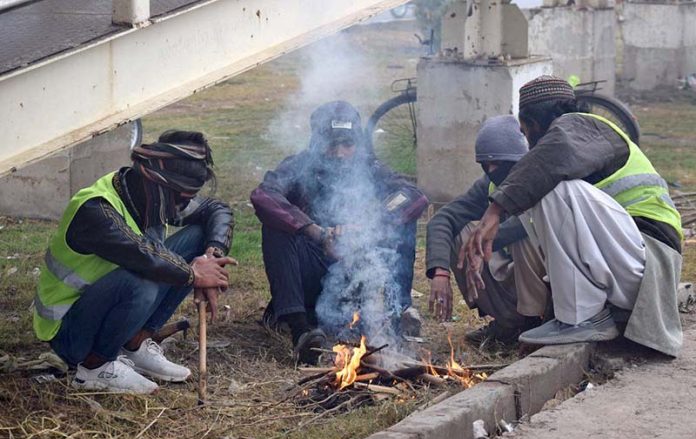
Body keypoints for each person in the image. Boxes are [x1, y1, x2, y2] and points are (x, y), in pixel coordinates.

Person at [463, 75, 683, 356]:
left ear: (534, 124)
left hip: (649, 261)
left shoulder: (583, 128)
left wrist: (494, 211)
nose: (527, 141)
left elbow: (551, 158)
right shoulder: (580, 138)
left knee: (556, 189)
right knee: (542, 193)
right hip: (627, 263)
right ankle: (579, 316)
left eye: (525, 130)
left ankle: (582, 317)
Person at [33, 130, 236, 394]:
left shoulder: (147, 194)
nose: (180, 208)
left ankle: (134, 343)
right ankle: (95, 368)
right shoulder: (95, 209)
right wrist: (195, 275)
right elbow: (144, 256)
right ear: (158, 184)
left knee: (198, 236)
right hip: (69, 331)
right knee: (142, 281)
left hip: (107, 302)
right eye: (180, 199)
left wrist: (212, 257)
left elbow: (217, 210)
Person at [250, 100, 428, 364]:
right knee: (276, 229)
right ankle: (301, 331)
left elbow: (411, 196)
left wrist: (367, 226)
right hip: (312, 271)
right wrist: (317, 233)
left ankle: (397, 313)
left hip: (354, 275)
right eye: (331, 144)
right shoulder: (299, 165)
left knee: (403, 222)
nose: (340, 152)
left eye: (347, 143)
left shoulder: (369, 167)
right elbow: (264, 196)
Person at [426, 115, 549, 347]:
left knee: (523, 233)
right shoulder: (489, 184)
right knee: (460, 232)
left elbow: (528, 222)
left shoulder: (542, 175)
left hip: (555, 277)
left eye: (498, 163)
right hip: (517, 273)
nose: (491, 170)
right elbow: (443, 219)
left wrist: (481, 242)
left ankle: (542, 322)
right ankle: (511, 323)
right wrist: (440, 272)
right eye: (485, 164)